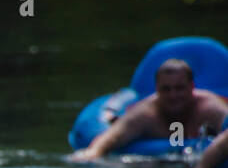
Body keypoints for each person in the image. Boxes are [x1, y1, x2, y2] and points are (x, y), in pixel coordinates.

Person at [69, 59, 228, 161]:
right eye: (166, 89)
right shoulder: (146, 113)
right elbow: (111, 137)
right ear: (157, 90)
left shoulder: (209, 107)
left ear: (192, 87)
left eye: (179, 88)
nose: (173, 95)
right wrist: (92, 153)